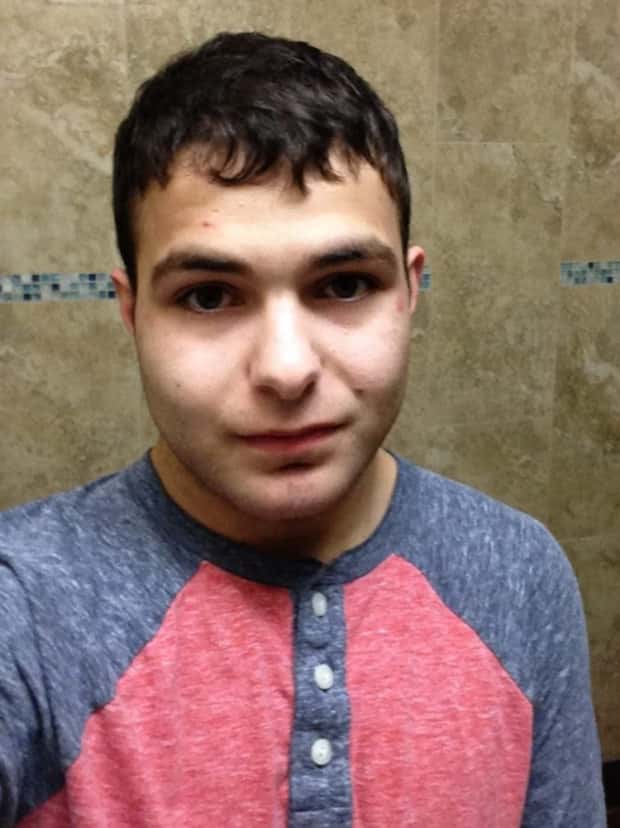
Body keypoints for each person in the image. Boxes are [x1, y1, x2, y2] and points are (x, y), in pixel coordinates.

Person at [0, 31, 605, 828]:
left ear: (409, 294)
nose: (286, 370)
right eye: (208, 296)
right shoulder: (23, 604)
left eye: (344, 284)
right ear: (133, 311)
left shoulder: (521, 575)